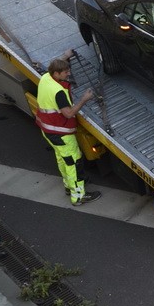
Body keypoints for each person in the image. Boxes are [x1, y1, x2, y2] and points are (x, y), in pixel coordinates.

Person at [34, 51, 102, 206]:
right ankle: (78, 196)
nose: (69, 74)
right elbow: (69, 113)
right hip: (61, 133)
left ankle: (68, 186)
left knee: (62, 158)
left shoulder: (46, 77)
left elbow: (55, 62)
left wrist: (66, 56)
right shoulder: (58, 92)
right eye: (66, 72)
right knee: (74, 163)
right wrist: (84, 99)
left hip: (47, 130)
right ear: (57, 73)